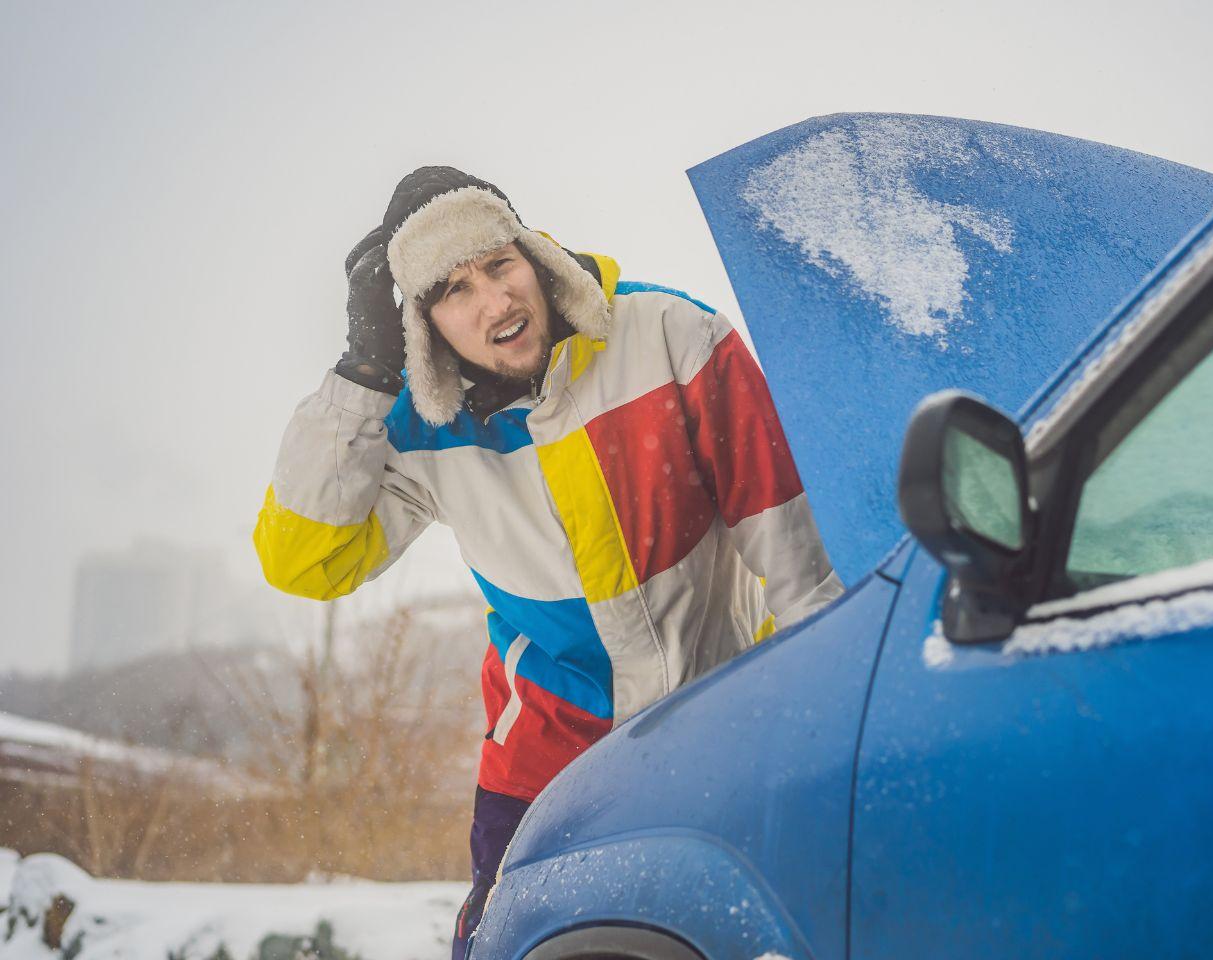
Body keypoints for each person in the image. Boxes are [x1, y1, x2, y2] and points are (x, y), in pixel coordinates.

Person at [252, 167, 842, 959]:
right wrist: (362, 375)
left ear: (534, 256)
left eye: (500, 264)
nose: (495, 301)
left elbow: (795, 552)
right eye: (456, 289)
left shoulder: (671, 336)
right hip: (544, 766)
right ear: (423, 325)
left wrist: (828, 724)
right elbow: (305, 561)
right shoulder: (420, 420)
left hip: (719, 728)